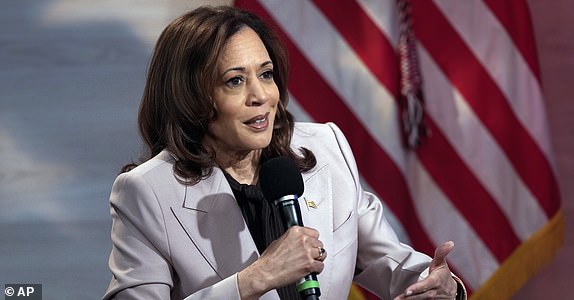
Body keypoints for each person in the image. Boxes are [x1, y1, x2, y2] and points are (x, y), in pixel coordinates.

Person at [102, 5, 466, 300]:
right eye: (235, 81)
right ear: (191, 96)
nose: (261, 96)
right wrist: (254, 280)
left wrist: (437, 285)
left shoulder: (325, 148)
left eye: (266, 74)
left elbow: (389, 261)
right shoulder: (145, 192)